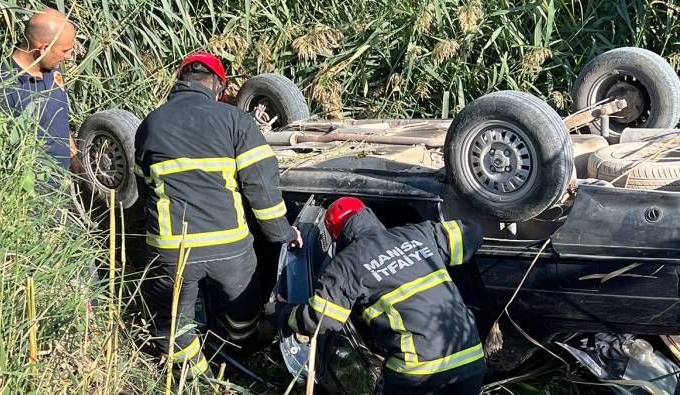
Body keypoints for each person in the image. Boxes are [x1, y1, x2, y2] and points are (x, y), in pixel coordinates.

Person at [133, 50, 302, 380]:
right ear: (219, 88)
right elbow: (261, 187)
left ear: (180, 82)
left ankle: (198, 380)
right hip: (229, 246)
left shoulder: (150, 124)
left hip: (173, 250)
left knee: (174, 323)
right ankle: (238, 359)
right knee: (242, 314)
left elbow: (144, 192)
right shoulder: (235, 120)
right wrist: (282, 233)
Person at [265, 197, 485, 395]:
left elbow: (319, 319)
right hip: (470, 358)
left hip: (418, 370)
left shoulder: (346, 265)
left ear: (336, 235)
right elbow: (472, 233)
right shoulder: (419, 233)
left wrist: (279, 311)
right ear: (368, 215)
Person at [0, 8, 80, 177]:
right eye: (65, 50)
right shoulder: (3, 88)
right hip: (32, 195)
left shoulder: (52, 67)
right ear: (43, 48)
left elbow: (58, 116)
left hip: (62, 184)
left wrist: (74, 157)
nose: (69, 56)